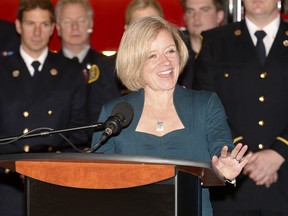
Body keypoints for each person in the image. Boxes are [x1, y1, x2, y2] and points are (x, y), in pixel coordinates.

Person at [91, 16, 252, 216]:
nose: (166, 62)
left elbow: (221, 151)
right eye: (152, 56)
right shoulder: (115, 113)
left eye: (170, 51)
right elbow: (98, 178)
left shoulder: (205, 104)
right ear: (135, 62)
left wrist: (223, 170)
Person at [194, 0, 288, 215]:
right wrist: (241, 153)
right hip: (232, 186)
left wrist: (280, 152)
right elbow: (204, 106)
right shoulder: (216, 42)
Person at [0, 0, 88, 215]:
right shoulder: (1, 71)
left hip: (54, 183)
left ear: (52, 28)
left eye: (44, 24)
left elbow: (79, 133)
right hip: (6, 184)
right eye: (31, 23)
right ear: (19, 26)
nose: (37, 32)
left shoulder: (71, 72)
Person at [55, 0, 121, 126]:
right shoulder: (47, 71)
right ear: (58, 27)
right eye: (67, 21)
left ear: (90, 24)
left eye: (81, 20)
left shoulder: (110, 68)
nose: (75, 27)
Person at [177, 0, 224, 89]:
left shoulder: (232, 55)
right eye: (190, 11)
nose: (196, 17)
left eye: (204, 10)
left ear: (219, 15)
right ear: (184, 17)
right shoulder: (174, 54)